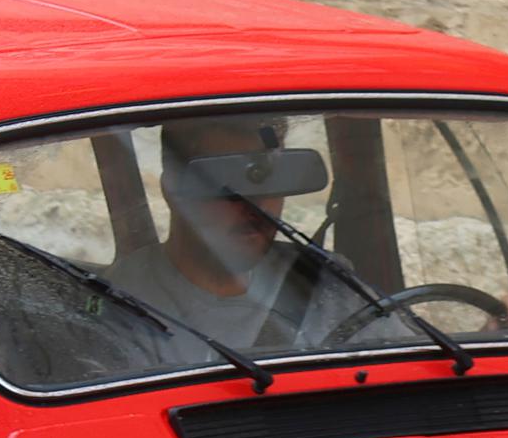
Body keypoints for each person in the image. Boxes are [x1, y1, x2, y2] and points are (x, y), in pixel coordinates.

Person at [102, 114, 375, 362]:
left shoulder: (328, 287)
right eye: (227, 182)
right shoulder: (120, 307)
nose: (256, 205)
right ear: (173, 191)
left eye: (270, 178)